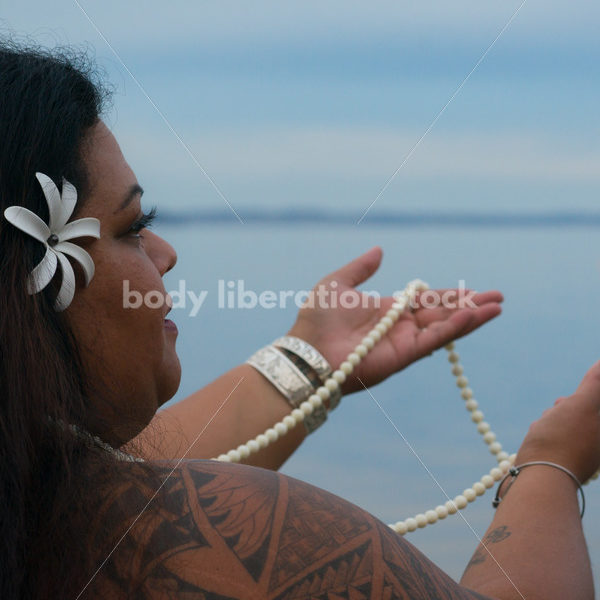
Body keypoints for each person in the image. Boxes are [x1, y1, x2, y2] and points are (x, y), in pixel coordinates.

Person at [0, 40, 597, 600]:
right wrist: (552, 466)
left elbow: (144, 467)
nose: (165, 254)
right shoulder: (165, 541)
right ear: (36, 270)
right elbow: (162, 492)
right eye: (132, 227)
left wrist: (308, 359)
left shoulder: (33, 495)